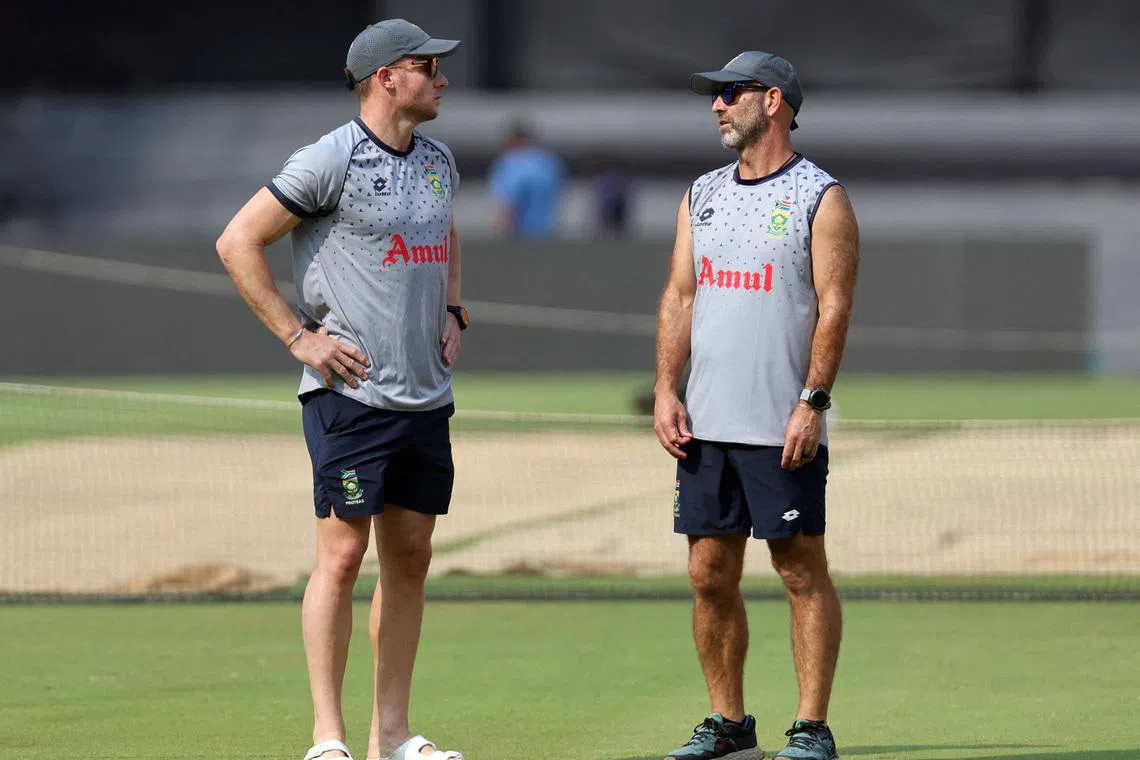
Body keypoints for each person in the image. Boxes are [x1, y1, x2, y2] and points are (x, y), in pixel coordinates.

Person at [215, 19, 470, 760]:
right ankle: (328, 739)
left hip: (427, 396)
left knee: (412, 555)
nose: (443, 79)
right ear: (386, 77)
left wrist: (454, 305)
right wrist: (300, 337)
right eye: (429, 67)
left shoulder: (439, 159)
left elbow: (448, 231)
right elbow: (238, 241)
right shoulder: (329, 158)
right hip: (351, 395)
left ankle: (393, 736)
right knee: (342, 555)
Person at [653, 51, 859, 760]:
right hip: (705, 425)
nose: (716, 105)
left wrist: (812, 401)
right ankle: (729, 724)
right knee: (709, 574)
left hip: (782, 424)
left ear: (773, 101)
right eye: (714, 95)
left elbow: (834, 307)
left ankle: (811, 726)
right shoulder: (701, 192)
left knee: (800, 568)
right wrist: (664, 390)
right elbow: (681, 295)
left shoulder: (819, 195)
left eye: (729, 93)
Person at [487, 122, 566, 238]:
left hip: (521, 236)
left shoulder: (510, 163)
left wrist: (499, 233)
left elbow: (508, 203)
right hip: (549, 232)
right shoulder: (549, 161)